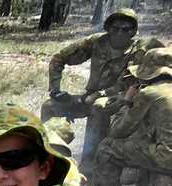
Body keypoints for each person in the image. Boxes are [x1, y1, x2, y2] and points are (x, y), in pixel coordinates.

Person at [40, 9, 161, 166]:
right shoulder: (96, 42)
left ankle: (90, 165)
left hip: (122, 100)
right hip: (89, 97)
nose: (119, 33)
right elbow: (59, 58)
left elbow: (128, 83)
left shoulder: (139, 50)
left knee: (98, 107)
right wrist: (55, 89)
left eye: (126, 29)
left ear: (133, 31)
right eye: (115, 28)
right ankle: (47, 155)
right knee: (49, 106)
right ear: (108, 28)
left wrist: (100, 94)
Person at [84, 48, 172, 186]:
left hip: (166, 157)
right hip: (163, 153)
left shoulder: (149, 94)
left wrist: (126, 101)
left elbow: (118, 131)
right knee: (145, 149)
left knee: (107, 148)